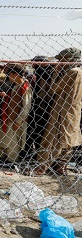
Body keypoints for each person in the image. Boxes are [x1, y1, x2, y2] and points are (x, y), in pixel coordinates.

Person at [30, 47, 82, 176]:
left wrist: (55, 73)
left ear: (70, 59)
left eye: (62, 59)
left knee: (54, 138)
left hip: (62, 110)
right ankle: (60, 166)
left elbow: (54, 88)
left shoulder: (73, 72)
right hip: (73, 110)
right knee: (68, 139)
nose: (59, 62)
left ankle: (42, 168)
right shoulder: (79, 71)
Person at [0, 64, 33, 163]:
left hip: (15, 120)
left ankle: (11, 161)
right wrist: (5, 97)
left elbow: (26, 107)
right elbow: (14, 100)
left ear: (15, 74)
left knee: (13, 143)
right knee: (0, 139)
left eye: (9, 74)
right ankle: (2, 157)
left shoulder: (25, 87)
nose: (7, 77)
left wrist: (18, 122)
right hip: (7, 117)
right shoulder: (15, 86)